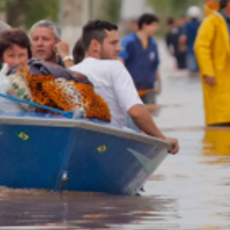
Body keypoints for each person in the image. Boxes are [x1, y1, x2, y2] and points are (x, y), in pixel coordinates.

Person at [70, 20, 179, 154]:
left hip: (80, 145)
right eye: (113, 43)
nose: (119, 48)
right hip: (110, 145)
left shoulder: (71, 71)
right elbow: (136, 112)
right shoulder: (115, 67)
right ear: (95, 45)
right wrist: (163, 139)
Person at [119, 13, 161, 105]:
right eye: (153, 25)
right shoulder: (129, 42)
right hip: (132, 90)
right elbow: (120, 62)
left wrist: (159, 84)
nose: (156, 29)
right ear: (145, 25)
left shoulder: (153, 43)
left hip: (149, 89)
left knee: (150, 116)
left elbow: (155, 65)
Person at [184, 6, 202, 74]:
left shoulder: (188, 25)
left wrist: (182, 46)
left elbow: (183, 38)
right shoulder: (202, 24)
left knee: (191, 72)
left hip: (191, 50)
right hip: (200, 50)